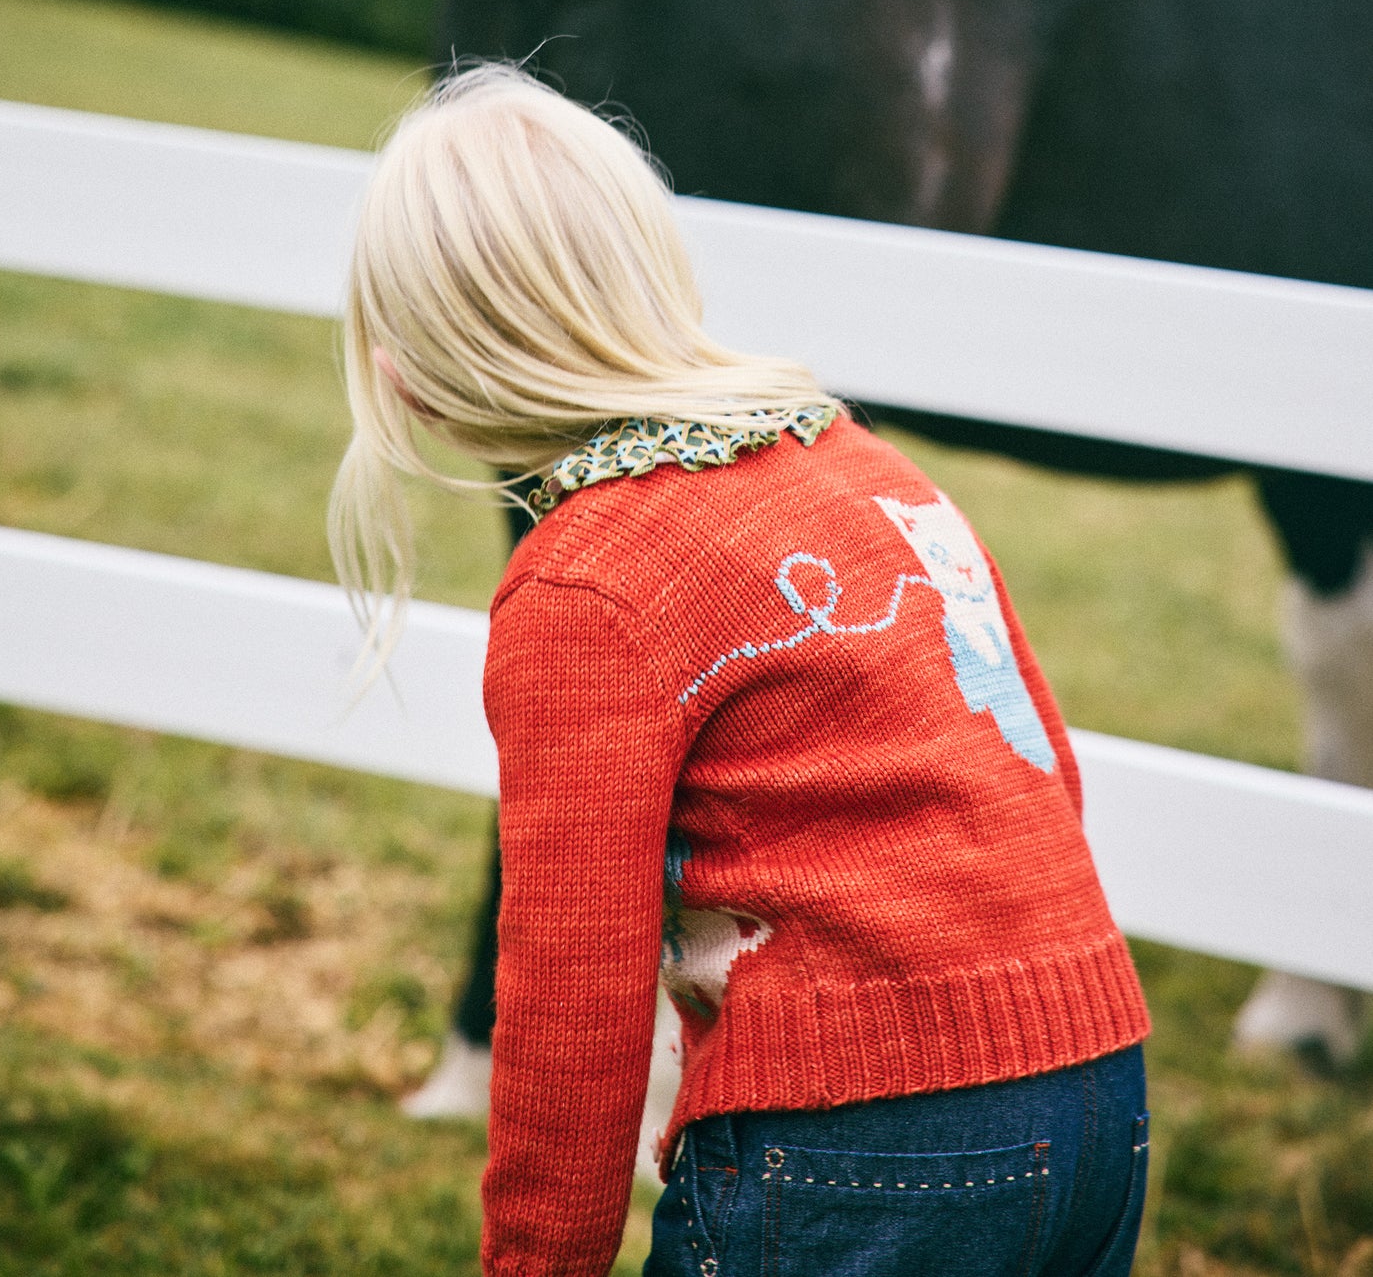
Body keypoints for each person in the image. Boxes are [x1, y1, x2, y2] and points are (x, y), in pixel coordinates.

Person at [330, 65, 1151, 1277]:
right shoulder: (859, 461)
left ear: (424, 369)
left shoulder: (588, 581)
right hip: (1094, 1082)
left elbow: (574, 1000)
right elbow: (1036, 765)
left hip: (860, 1140)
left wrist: (534, 1264)